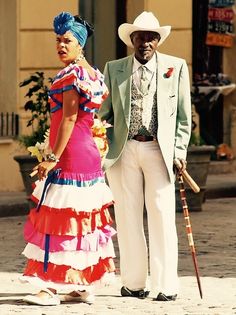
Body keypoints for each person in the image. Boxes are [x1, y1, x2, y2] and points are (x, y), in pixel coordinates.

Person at [20, 12, 116, 306]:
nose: (61, 46)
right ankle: (81, 284)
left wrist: (51, 157)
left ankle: (48, 287)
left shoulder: (71, 75)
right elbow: (90, 114)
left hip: (70, 155)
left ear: (80, 45)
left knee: (56, 219)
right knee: (80, 220)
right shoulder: (94, 75)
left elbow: (69, 119)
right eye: (58, 41)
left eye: (67, 41)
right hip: (87, 154)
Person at [99, 11, 192, 301]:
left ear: (158, 41)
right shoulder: (114, 69)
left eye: (151, 37)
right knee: (127, 217)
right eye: (140, 37)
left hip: (158, 149)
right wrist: (101, 148)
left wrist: (178, 151)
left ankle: (166, 285)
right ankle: (133, 282)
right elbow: (104, 115)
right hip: (124, 149)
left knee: (162, 214)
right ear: (131, 40)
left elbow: (184, 119)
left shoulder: (175, 67)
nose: (146, 43)